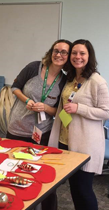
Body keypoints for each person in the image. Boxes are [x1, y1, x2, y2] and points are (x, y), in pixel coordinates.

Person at [6, 39, 72, 210]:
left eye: (64, 52)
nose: (59, 54)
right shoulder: (33, 67)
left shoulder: (64, 80)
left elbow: (60, 111)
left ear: (68, 56)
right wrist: (26, 100)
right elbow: (15, 87)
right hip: (17, 128)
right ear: (51, 52)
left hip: (42, 133)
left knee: (41, 176)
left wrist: (47, 107)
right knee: (14, 171)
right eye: (56, 50)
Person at [49, 39, 109, 210]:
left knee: (83, 189)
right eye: (74, 53)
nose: (77, 57)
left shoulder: (97, 81)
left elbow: (106, 112)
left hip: (85, 143)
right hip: (66, 141)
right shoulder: (70, 78)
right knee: (74, 188)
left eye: (82, 53)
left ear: (89, 56)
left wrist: (79, 108)